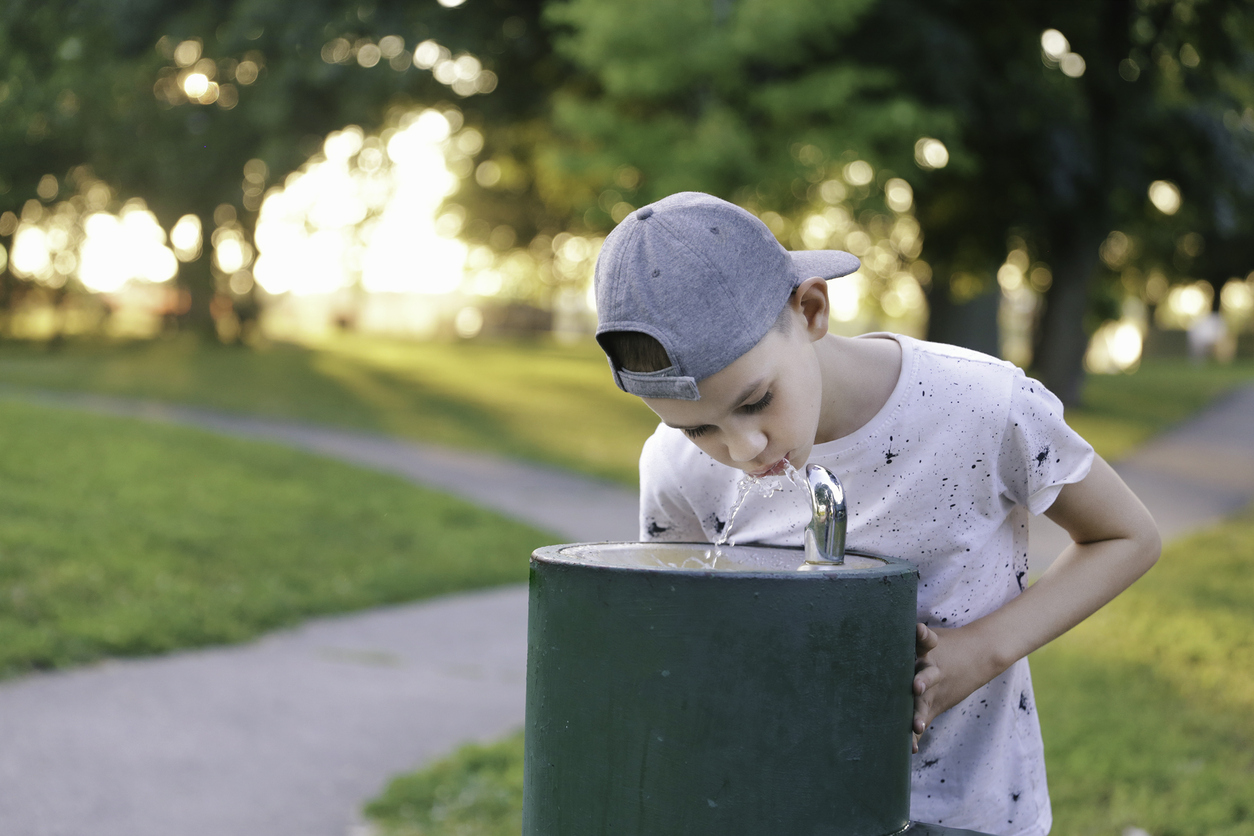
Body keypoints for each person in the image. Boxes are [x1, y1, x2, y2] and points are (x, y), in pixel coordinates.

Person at [592, 191, 1160, 836]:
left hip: (969, 807)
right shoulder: (675, 466)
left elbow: (1127, 536)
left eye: (756, 402)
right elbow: (683, 642)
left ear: (810, 309)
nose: (743, 450)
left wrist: (980, 651)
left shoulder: (981, 406)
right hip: (774, 802)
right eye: (700, 429)